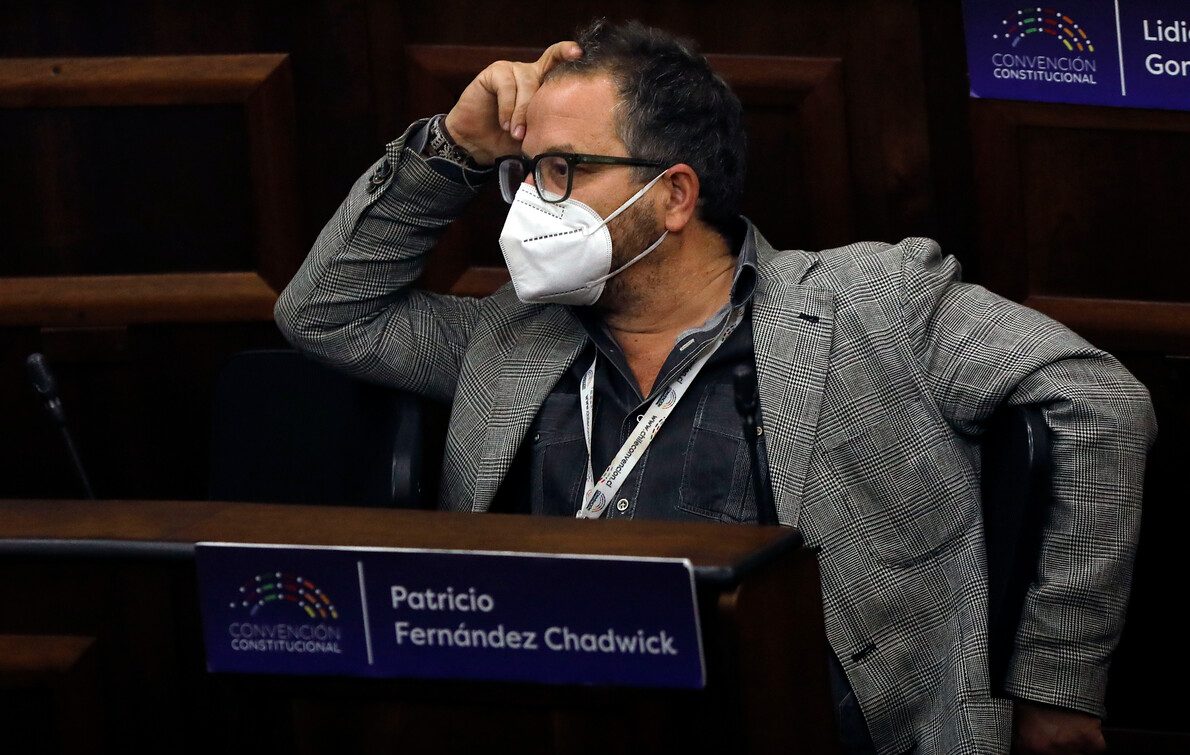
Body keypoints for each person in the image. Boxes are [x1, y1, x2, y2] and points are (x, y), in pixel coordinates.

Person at [274, 19, 1155, 755]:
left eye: (562, 170)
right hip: (558, 723)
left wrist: (1055, 680)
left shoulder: (874, 301)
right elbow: (325, 313)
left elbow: (1096, 399)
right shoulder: (507, 337)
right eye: (526, 171)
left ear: (674, 195)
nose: (529, 204)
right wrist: (456, 149)